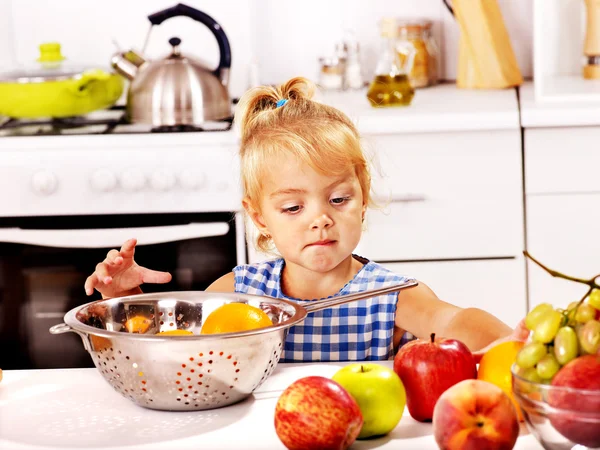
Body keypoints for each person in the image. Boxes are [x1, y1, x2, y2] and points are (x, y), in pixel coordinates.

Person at [84, 77, 527, 363]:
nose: (320, 220)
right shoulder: (239, 293)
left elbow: (455, 323)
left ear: (363, 198)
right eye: (293, 208)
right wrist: (125, 300)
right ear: (259, 218)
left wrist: (515, 348)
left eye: (338, 199)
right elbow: (163, 356)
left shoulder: (391, 298)